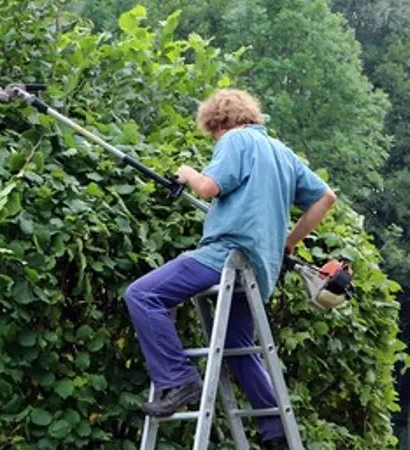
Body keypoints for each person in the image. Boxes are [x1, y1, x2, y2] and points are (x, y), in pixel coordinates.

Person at [123, 88, 337, 450]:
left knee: (142, 295)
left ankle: (178, 379)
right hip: (260, 267)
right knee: (238, 347)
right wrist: (288, 242)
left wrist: (187, 173)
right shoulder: (283, 153)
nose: (215, 140)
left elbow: (208, 188)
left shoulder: (235, 140)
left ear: (219, 122)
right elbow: (326, 197)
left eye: (213, 134)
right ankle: (276, 431)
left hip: (225, 255)